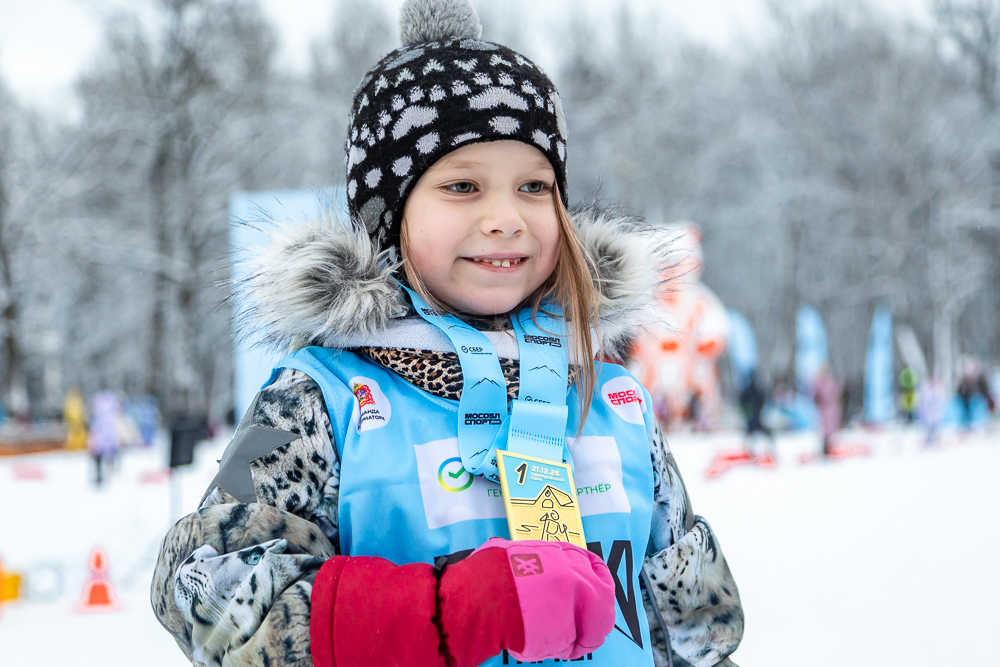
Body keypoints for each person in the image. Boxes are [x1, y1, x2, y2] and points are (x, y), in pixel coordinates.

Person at [151, 3, 743, 666]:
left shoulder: (614, 397)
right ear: (387, 214)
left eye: (534, 186)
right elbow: (205, 588)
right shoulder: (313, 398)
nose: (506, 217)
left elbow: (703, 631)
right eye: (463, 185)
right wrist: (449, 609)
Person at [87, 390, 123, 486]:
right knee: (110, 455)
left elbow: (94, 422)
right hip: (109, 435)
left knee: (98, 456)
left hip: (101, 435)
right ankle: (111, 473)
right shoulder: (112, 405)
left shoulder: (97, 403)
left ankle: (101, 476)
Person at [739, 371, 774, 459]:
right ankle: (748, 453)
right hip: (753, 418)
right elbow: (743, 401)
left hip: (756, 417)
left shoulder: (755, 390)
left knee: (758, 435)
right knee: (749, 437)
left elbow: (762, 400)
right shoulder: (750, 391)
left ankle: (769, 452)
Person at [811, 365, 842, 457]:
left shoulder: (829, 382)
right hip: (824, 411)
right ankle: (825, 449)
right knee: (825, 431)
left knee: (829, 431)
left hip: (829, 410)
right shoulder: (821, 382)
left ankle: (828, 448)